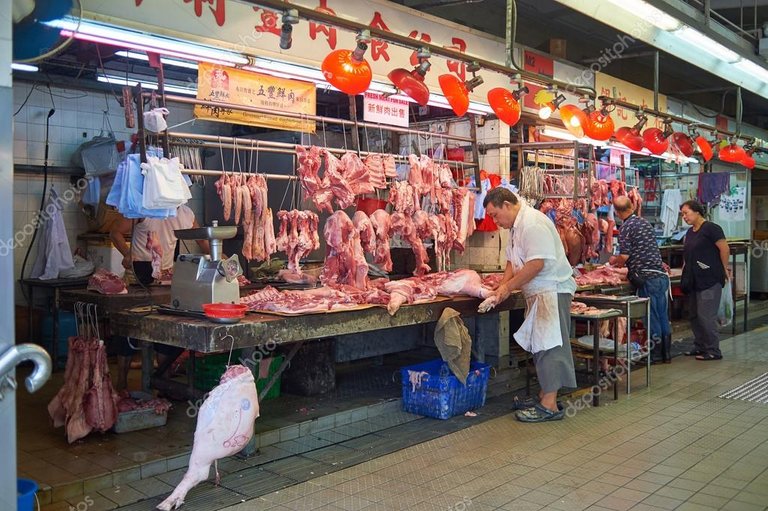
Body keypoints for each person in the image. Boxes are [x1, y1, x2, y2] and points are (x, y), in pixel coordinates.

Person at [479, 188, 577, 423]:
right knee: (539, 345)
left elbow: (536, 265)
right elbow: (513, 262)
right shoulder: (516, 227)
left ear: (505, 205)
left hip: (552, 291)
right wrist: (503, 288)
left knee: (549, 345)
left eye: (494, 215)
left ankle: (549, 405)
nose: (494, 221)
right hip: (539, 292)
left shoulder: (532, 223)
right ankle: (545, 393)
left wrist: (507, 288)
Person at [109, 204, 209, 390]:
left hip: (165, 278)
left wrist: (217, 255)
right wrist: (127, 253)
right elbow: (115, 232)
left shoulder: (186, 213)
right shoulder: (143, 206)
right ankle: (122, 383)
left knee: (165, 326)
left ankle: (163, 383)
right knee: (128, 327)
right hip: (138, 275)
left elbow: (203, 239)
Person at [609, 196, 671, 364]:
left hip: (646, 278)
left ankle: (656, 355)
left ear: (618, 212)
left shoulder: (626, 227)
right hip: (660, 276)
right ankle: (666, 354)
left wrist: (614, 262)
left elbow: (625, 255)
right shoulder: (644, 222)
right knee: (662, 316)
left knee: (652, 318)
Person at [679, 200, 730, 361]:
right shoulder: (690, 232)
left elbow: (724, 249)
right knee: (694, 315)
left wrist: (724, 269)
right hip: (694, 280)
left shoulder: (712, 229)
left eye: (686, 213)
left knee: (706, 315)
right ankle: (700, 345)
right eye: (682, 214)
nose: (684, 217)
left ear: (697, 212)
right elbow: (688, 254)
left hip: (710, 279)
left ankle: (713, 349)